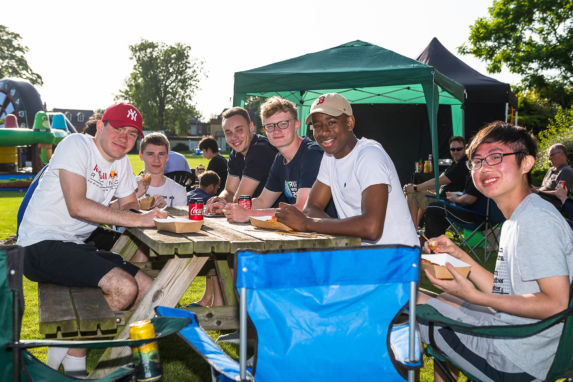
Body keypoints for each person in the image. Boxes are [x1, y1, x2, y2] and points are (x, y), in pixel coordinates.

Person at [16, 103, 167, 377]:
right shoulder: (76, 145)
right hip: (38, 245)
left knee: (149, 290)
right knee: (124, 288)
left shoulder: (120, 162)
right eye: (118, 129)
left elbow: (129, 204)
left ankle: (72, 357)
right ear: (100, 126)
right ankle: (76, 363)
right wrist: (137, 219)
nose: (124, 137)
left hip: (75, 246)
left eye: (132, 134)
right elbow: (77, 206)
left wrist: (151, 214)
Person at [417, 121, 573, 382]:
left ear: (526, 164)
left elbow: (555, 304)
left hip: (516, 359)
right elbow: (505, 290)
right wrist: (460, 255)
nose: (483, 168)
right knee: (445, 298)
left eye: (496, 157)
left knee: (407, 300)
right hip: (525, 339)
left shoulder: (535, 220)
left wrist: (476, 298)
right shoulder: (520, 215)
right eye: (476, 161)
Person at [276, 93, 418, 247]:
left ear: (349, 123)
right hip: (363, 254)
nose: (323, 132)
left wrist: (307, 224)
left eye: (331, 122)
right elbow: (311, 208)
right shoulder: (330, 157)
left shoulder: (369, 155)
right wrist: (347, 229)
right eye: (317, 126)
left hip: (398, 258)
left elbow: (371, 228)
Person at [224, 96, 336, 223]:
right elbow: (263, 201)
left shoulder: (312, 154)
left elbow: (302, 209)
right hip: (306, 233)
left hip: (334, 235)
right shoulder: (280, 159)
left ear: (296, 125)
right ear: (265, 130)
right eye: (270, 126)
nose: (276, 131)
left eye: (283, 124)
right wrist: (228, 208)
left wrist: (248, 214)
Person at [204, 107, 278, 214]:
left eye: (239, 130)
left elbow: (240, 199)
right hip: (251, 218)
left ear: (251, 127)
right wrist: (220, 199)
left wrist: (223, 205)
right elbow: (229, 191)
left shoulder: (260, 150)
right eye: (228, 132)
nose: (234, 137)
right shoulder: (236, 153)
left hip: (273, 219)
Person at [403, 137, 469, 228]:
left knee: (412, 194)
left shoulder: (462, 165)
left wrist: (415, 187)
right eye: (453, 149)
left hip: (450, 206)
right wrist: (418, 188)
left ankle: (412, 232)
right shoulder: (455, 164)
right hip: (444, 200)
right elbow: (440, 184)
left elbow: (438, 181)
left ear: (465, 148)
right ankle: (415, 229)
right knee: (418, 192)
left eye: (459, 149)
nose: (455, 152)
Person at [423, 174, 487, 238]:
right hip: (480, 216)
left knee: (433, 207)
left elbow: (469, 199)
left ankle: (433, 243)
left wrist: (455, 199)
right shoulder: (483, 177)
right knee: (439, 207)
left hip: (474, 217)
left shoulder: (476, 176)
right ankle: (437, 241)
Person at [136, 132, 188, 208]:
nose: (156, 160)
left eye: (161, 154)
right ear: (141, 156)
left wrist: (166, 210)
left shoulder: (179, 191)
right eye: (150, 154)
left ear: (167, 157)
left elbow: (180, 219)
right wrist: (134, 197)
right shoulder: (128, 186)